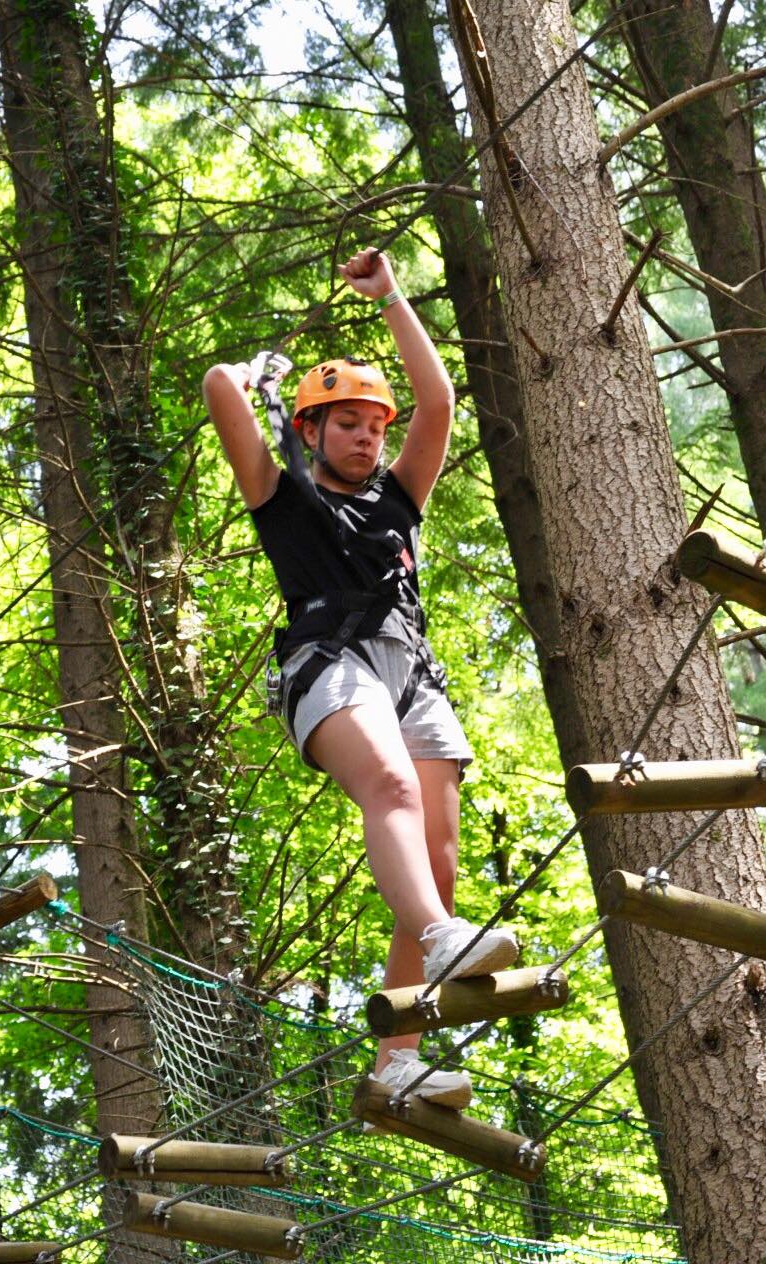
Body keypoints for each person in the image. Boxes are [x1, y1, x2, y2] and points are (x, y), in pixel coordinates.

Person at [202, 247, 518, 1109]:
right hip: (330, 665)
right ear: (308, 430)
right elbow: (219, 394)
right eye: (347, 424)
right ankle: (439, 943)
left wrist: (391, 298)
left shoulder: (397, 500)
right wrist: (246, 373)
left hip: (410, 671)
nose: (368, 437)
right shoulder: (282, 495)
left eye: (374, 426)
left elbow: (440, 402)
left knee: (439, 866)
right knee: (388, 785)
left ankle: (396, 1061)